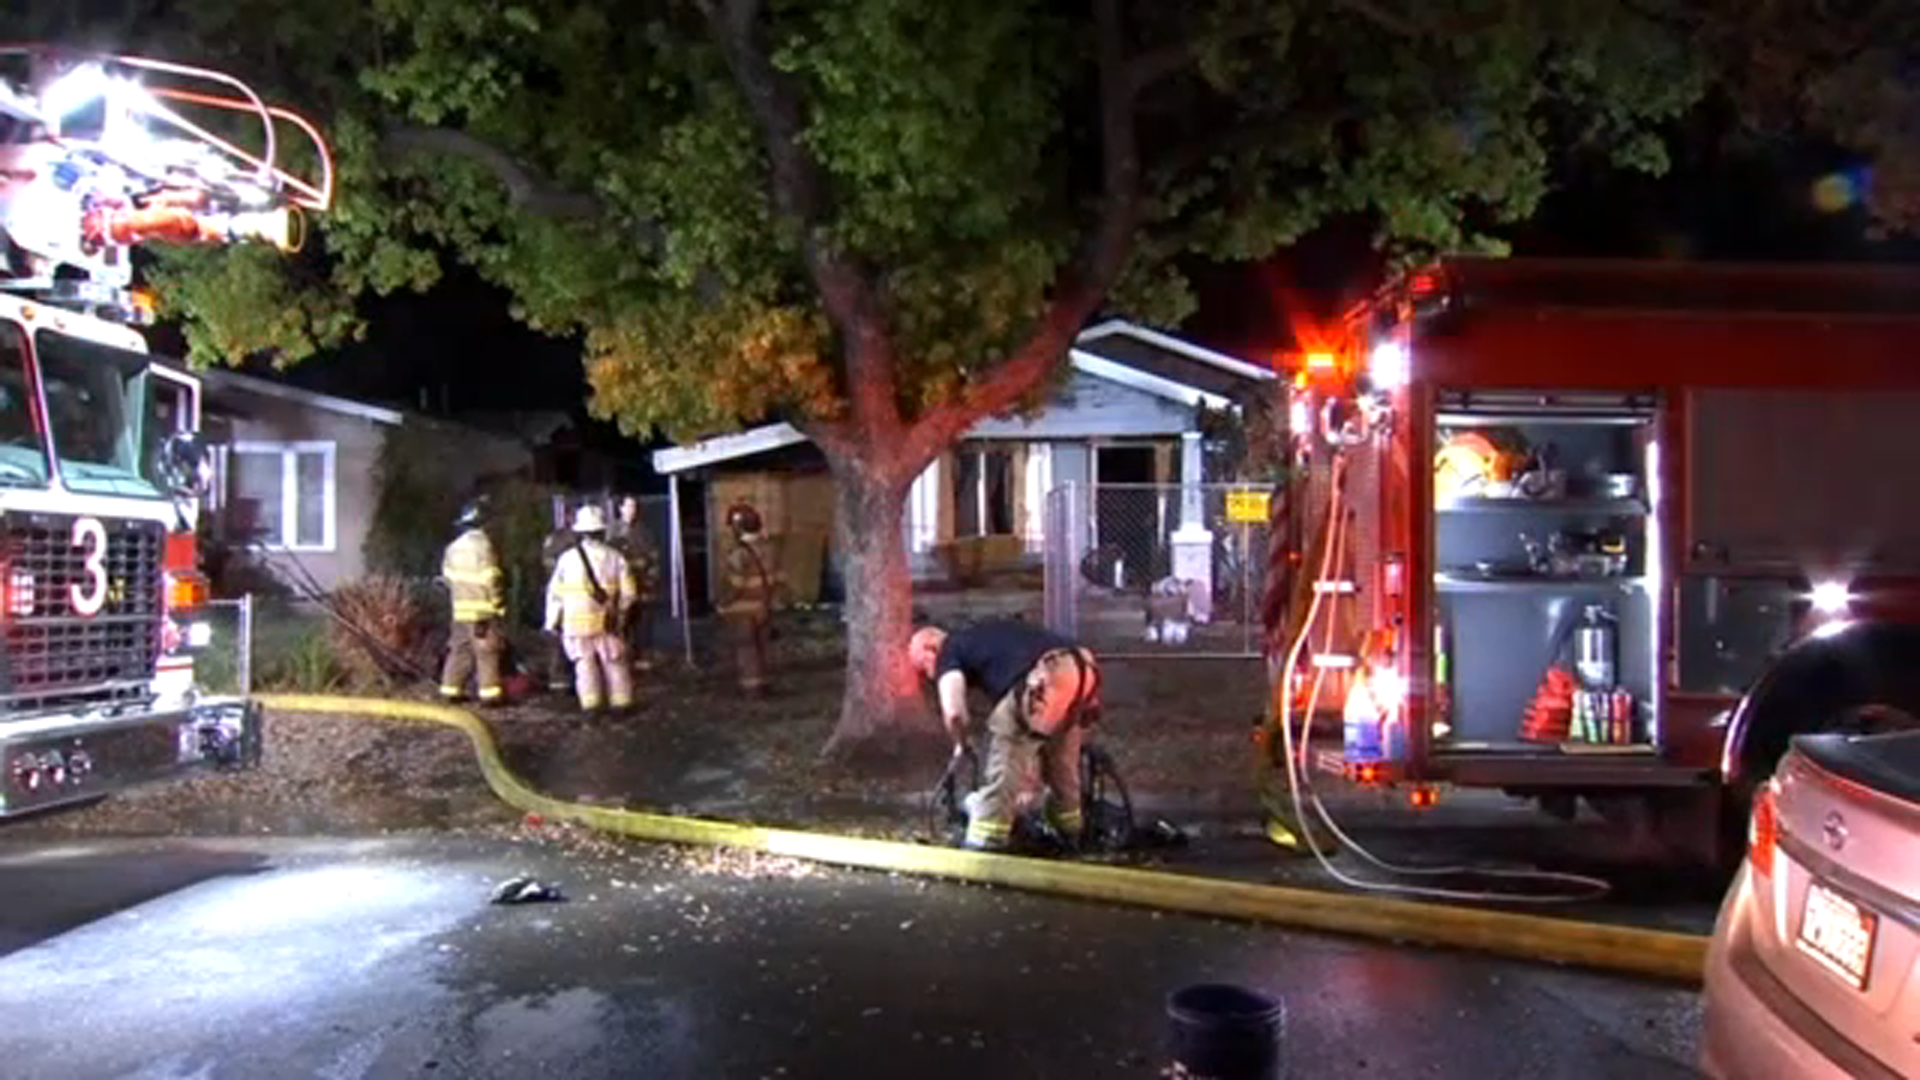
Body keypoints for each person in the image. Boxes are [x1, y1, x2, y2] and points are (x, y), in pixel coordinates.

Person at [908, 619, 1103, 852]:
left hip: (1046, 675)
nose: (929, 677)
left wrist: (961, 743)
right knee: (1061, 766)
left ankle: (985, 838)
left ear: (931, 648)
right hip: (1082, 668)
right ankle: (1071, 834)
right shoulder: (985, 637)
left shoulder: (950, 648)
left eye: (924, 669)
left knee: (1004, 747)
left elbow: (954, 713)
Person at [544, 503, 638, 716]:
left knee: (584, 666)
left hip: (575, 625)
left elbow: (555, 594)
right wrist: (620, 613)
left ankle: (591, 707)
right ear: (602, 531)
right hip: (607, 622)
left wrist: (551, 623)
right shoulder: (615, 557)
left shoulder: (566, 559)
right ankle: (621, 704)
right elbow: (629, 593)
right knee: (614, 663)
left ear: (581, 532)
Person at [439, 498, 506, 705]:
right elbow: (492, 579)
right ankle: (490, 697)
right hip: (482, 612)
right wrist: (499, 605)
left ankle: (450, 690)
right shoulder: (484, 547)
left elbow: (447, 580)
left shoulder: (452, 548)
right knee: (486, 653)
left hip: (459, 611)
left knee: (459, 650)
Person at [720, 502, 783, 697]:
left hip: (743, 610)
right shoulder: (770, 549)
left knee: (746, 650)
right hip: (764, 607)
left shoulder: (738, 554)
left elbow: (734, 585)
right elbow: (778, 579)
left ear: (738, 528)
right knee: (762, 647)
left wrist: (723, 604)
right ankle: (763, 683)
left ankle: (751, 688)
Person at [609, 495, 662, 673]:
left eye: (634, 506)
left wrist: (650, 582)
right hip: (620, 589)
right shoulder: (612, 531)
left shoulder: (644, 532)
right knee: (621, 624)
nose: (632, 510)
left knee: (642, 624)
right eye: (628, 506)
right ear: (620, 508)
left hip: (642, 586)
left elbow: (654, 559)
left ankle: (642, 659)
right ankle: (622, 659)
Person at [539, 503, 578, 695]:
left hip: (575, 596)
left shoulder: (580, 539)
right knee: (557, 639)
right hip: (562, 595)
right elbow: (548, 565)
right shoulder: (557, 539)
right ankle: (559, 682)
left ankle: (573, 680)